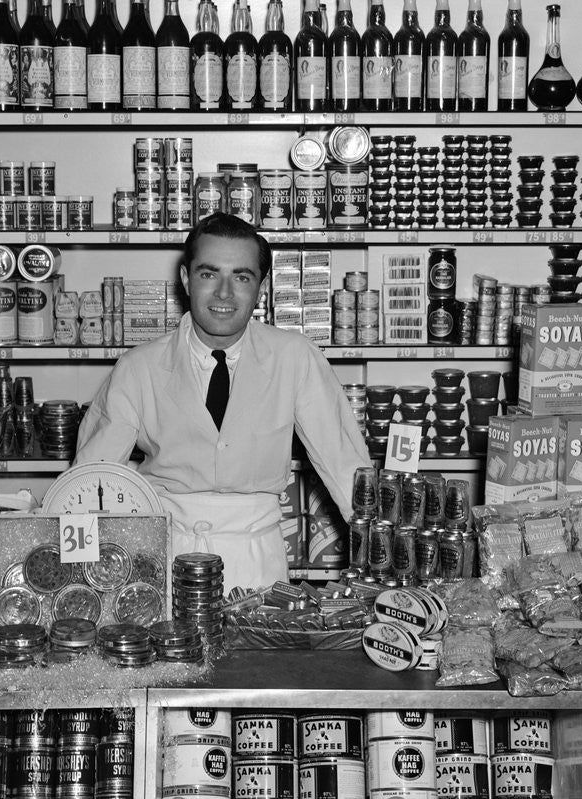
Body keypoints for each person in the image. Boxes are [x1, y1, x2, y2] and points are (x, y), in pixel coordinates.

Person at [75, 213, 372, 589]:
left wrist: (386, 565)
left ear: (261, 287)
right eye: (208, 274)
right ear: (185, 279)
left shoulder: (294, 357)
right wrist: (77, 586)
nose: (224, 293)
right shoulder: (139, 367)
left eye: (242, 277)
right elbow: (88, 483)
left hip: (259, 565)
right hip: (163, 561)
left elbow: (347, 468)